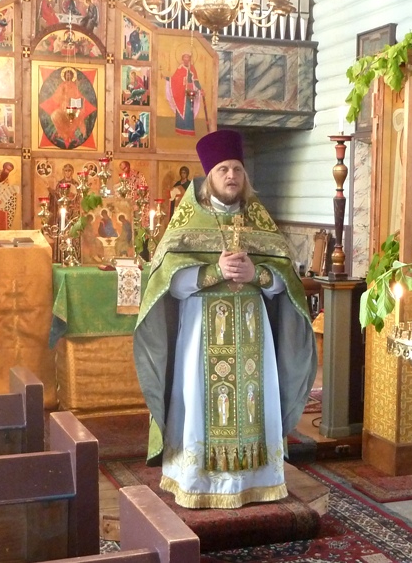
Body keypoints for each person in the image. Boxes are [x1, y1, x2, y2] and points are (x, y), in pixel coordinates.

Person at [133, 128, 317, 509]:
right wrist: (214, 271)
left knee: (253, 403)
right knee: (199, 401)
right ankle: (196, 481)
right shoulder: (188, 222)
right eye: (222, 170)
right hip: (200, 335)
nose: (231, 176)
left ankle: (256, 480)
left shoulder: (259, 222)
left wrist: (257, 274)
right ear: (209, 178)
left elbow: (286, 285)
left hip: (252, 338)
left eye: (236, 169)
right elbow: (168, 283)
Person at [165, 52, 203, 136]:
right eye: (185, 57)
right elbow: (174, 80)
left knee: (189, 111)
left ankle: (189, 130)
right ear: (182, 59)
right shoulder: (180, 69)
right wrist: (167, 78)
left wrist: (200, 89)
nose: (186, 59)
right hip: (181, 94)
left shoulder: (192, 68)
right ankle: (180, 129)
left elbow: (196, 81)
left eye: (188, 57)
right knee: (180, 111)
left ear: (189, 59)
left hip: (190, 93)